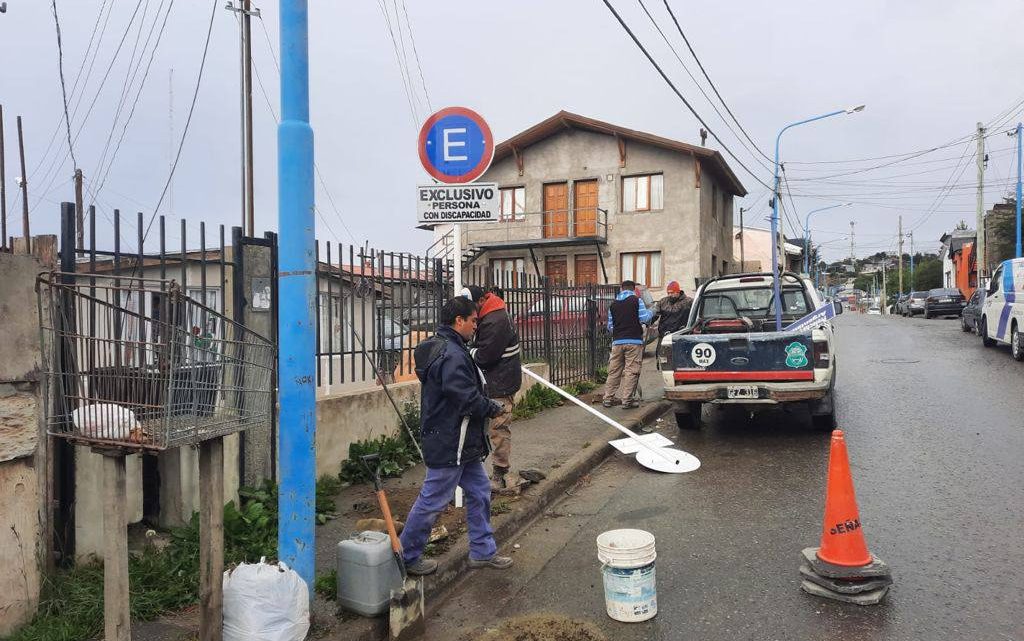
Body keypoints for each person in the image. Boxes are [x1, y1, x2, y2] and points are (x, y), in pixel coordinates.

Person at [399, 296, 513, 576]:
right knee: (433, 500)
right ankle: (406, 556)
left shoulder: (447, 348)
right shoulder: (451, 354)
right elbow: (464, 397)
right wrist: (491, 408)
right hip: (451, 441)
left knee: (479, 491)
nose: (476, 326)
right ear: (459, 320)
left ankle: (483, 552)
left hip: (461, 441)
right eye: (473, 320)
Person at [464, 286, 524, 492]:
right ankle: (489, 471)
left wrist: (468, 351)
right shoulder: (491, 314)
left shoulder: (495, 320)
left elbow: (485, 356)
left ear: (481, 300)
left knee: (498, 427)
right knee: (491, 427)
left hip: (501, 381)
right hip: (498, 379)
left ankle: (500, 472)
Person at [603, 280, 653, 409]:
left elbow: (610, 326)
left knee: (614, 370)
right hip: (634, 341)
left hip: (617, 342)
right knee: (631, 371)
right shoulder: (637, 301)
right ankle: (627, 400)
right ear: (633, 289)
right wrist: (652, 311)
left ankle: (608, 398)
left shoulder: (613, 305)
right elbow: (644, 318)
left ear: (621, 289)